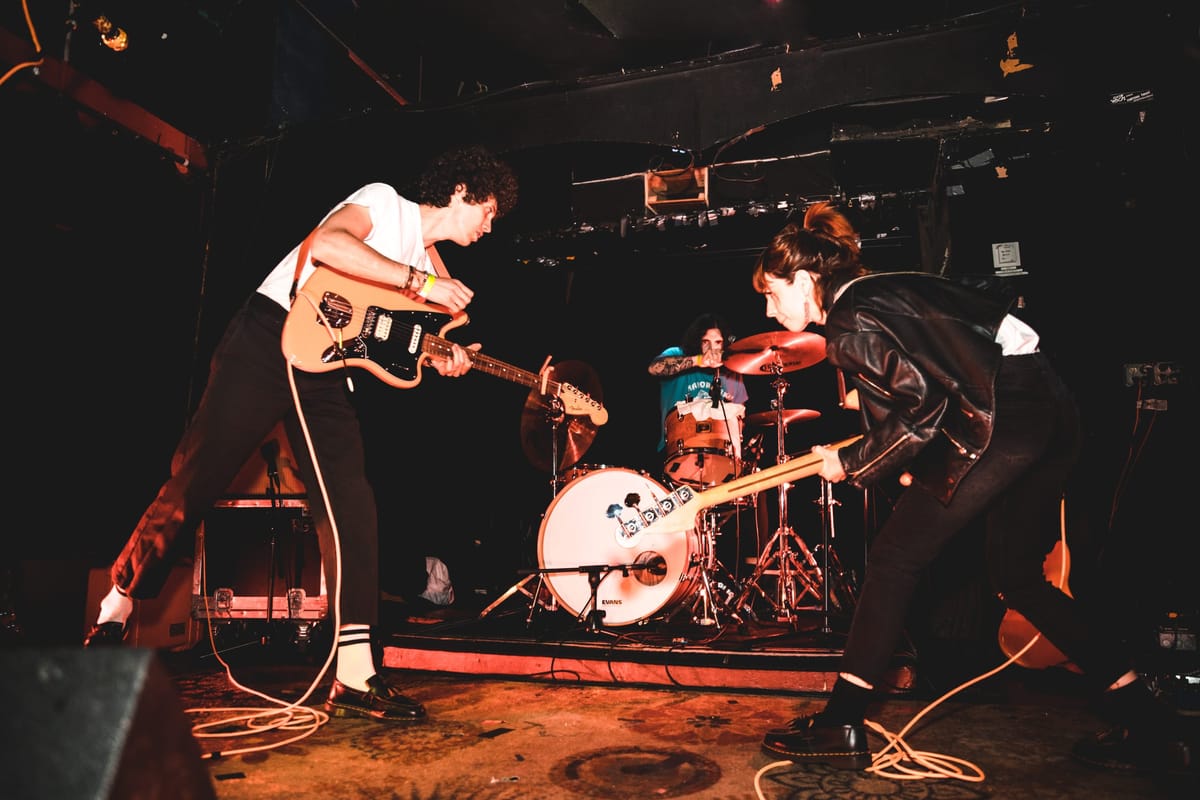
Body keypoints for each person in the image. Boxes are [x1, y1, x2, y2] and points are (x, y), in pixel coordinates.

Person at [84, 145, 519, 725]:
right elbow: (328, 245)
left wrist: (443, 356)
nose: (491, 225)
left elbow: (391, 340)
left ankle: (355, 673)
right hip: (268, 339)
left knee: (351, 504)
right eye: (490, 210)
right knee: (196, 479)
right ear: (463, 191)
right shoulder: (384, 204)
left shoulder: (437, 265)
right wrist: (419, 284)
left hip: (326, 370)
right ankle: (116, 604)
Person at [751, 201, 1191, 774]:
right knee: (1015, 577)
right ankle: (1152, 724)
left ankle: (842, 721)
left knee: (892, 558)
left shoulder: (850, 316)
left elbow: (919, 411)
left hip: (1005, 417)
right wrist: (893, 455)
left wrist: (852, 461)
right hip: (1050, 407)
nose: (767, 305)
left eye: (771, 292)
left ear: (806, 280)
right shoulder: (880, 290)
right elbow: (940, 390)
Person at [647, 312, 750, 482]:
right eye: (706, 342)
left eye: (718, 342)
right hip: (677, 454)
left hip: (721, 458)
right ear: (697, 342)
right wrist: (698, 360)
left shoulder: (732, 372)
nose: (713, 349)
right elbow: (655, 368)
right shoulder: (678, 354)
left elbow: (740, 419)